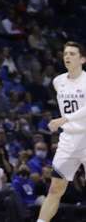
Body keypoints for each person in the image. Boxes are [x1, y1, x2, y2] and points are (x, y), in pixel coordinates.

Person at [38, 41, 86, 222]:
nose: (67, 57)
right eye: (66, 53)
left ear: (82, 59)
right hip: (68, 140)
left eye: (73, 54)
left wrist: (65, 119)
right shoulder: (58, 81)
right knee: (55, 188)